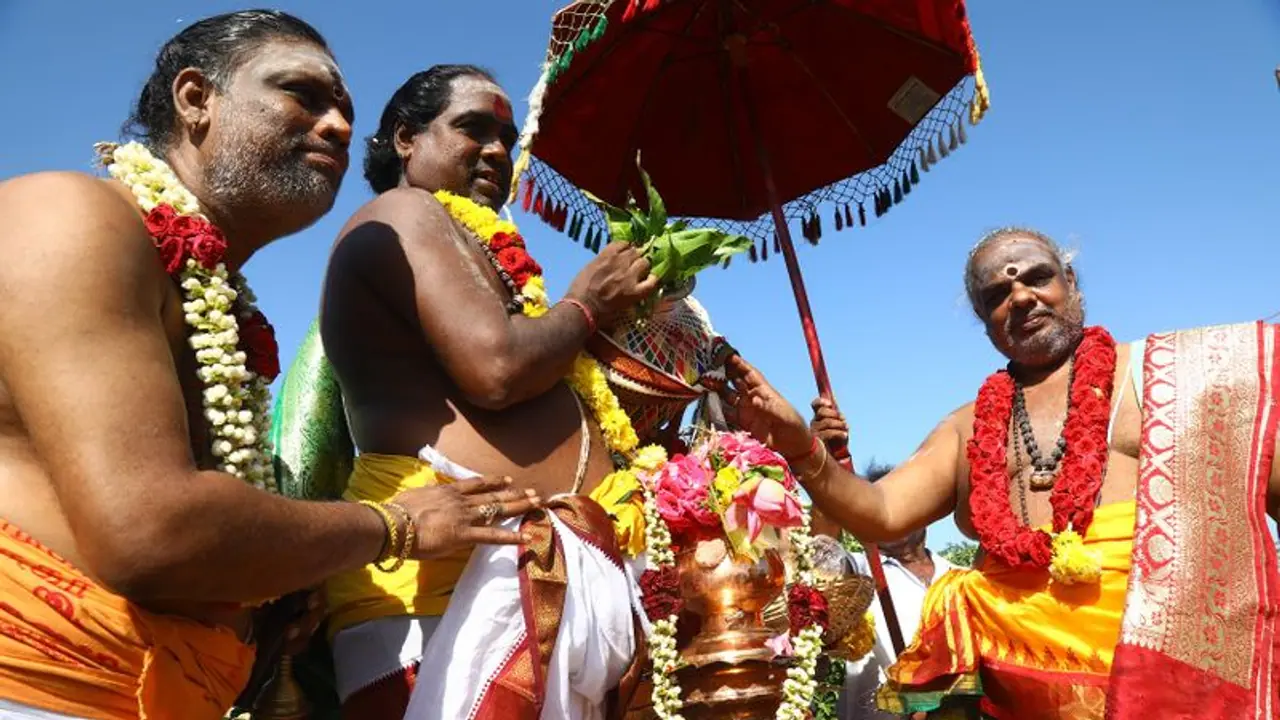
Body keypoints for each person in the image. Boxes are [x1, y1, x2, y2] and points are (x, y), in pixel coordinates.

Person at [0, 14, 535, 720]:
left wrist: (267, 596)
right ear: (196, 100)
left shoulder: (222, 303)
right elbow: (150, 532)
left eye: (343, 107)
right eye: (303, 95)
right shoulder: (69, 214)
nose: (341, 126)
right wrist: (395, 527)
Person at [725, 227, 1280, 719]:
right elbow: (881, 513)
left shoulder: (1169, 381)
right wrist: (803, 448)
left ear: (1072, 284)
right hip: (1019, 696)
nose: (1020, 296)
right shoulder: (969, 426)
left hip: (1172, 689)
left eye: (1038, 277)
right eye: (996, 295)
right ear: (985, 322)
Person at [310, 66, 656, 719]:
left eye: (506, 134)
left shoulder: (482, 249)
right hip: (439, 587)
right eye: (473, 128)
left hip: (561, 575)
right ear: (406, 140)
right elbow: (496, 370)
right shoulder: (402, 213)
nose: (499, 149)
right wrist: (586, 307)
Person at [830, 464, 956, 720]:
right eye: (875, 508)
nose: (888, 516)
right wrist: (821, 468)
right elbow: (821, 558)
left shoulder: (959, 576)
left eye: (896, 505)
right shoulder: (857, 570)